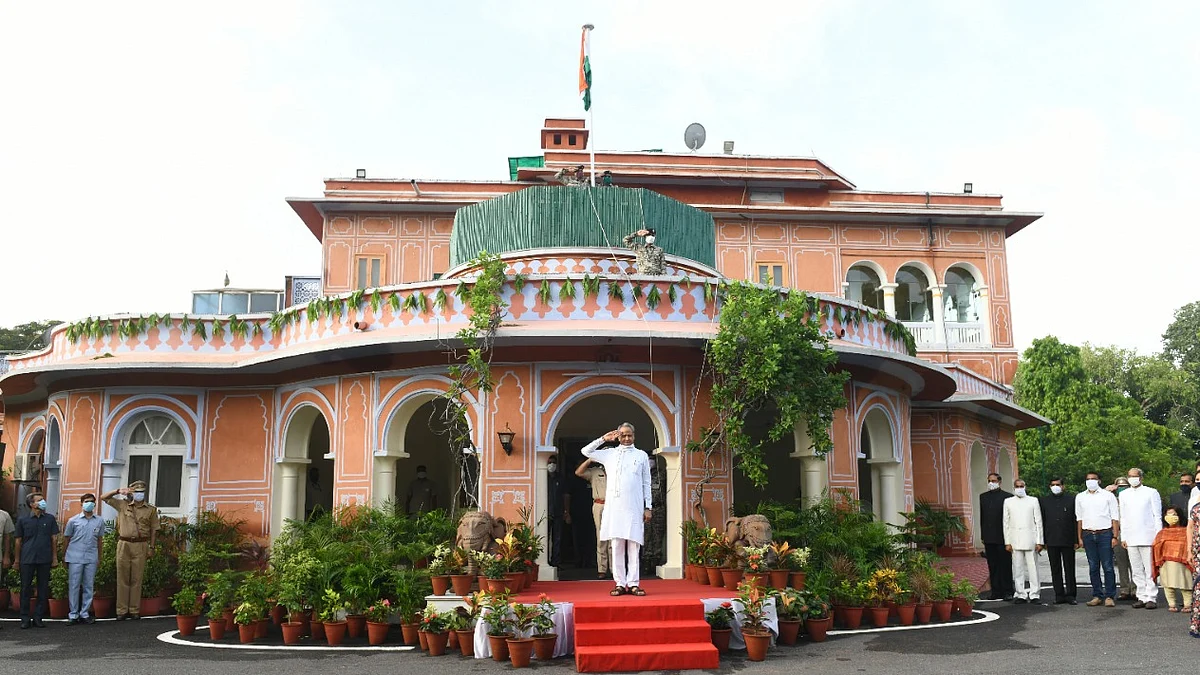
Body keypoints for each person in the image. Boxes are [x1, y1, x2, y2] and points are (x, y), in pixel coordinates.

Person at [581, 422, 652, 597]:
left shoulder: (641, 455)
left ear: (634, 436)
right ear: (618, 436)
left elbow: (646, 483)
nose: (627, 438)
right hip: (614, 508)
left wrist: (648, 506)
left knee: (634, 546)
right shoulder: (609, 454)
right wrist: (604, 439)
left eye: (629, 435)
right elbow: (586, 452)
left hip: (635, 507)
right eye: (623, 435)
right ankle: (620, 583)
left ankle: (634, 583)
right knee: (617, 545)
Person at [101, 480, 159, 620]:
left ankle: (134, 610)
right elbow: (104, 497)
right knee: (122, 578)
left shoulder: (151, 509)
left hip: (141, 544)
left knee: (136, 578)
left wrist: (152, 547)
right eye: (136, 492)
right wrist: (118, 491)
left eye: (142, 492)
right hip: (124, 543)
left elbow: (154, 530)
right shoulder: (123, 505)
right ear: (132, 493)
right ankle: (121, 610)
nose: (140, 494)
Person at [13, 491, 59, 629]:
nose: (43, 502)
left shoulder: (49, 519)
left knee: (43, 588)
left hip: (44, 558)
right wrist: (16, 560)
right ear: (32, 504)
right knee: (25, 588)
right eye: (39, 500)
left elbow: (54, 539)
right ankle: (25, 618)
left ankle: (38, 617)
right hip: (27, 558)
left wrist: (54, 558)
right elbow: (18, 541)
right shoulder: (23, 519)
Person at [1118, 467, 1163, 609]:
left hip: (1148, 536)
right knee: (1137, 570)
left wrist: (1158, 536)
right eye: (1130, 476)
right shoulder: (1124, 494)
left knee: (1149, 569)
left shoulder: (1151, 492)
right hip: (1131, 537)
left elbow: (1157, 516)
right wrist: (1124, 536)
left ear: (1141, 478)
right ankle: (1141, 596)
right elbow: (1123, 517)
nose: (1132, 478)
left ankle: (1151, 597)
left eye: (1135, 476)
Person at [1076, 471, 1120, 607]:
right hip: (1088, 534)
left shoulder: (1108, 496)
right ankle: (1097, 595)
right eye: (1088, 479)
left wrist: (1115, 536)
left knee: (1107, 566)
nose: (1090, 481)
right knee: (1093, 566)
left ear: (1099, 481)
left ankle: (1109, 596)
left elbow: (1115, 517)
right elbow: (1079, 519)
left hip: (1105, 534)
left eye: (1093, 479)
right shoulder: (1080, 497)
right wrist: (1080, 537)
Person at [62, 493, 106, 625]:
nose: (89, 503)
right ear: (81, 504)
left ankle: (85, 613)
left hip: (91, 556)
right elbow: (66, 539)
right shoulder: (73, 521)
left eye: (92, 501)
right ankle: (73, 614)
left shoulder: (99, 520)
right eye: (87, 501)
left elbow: (99, 540)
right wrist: (64, 556)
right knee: (74, 585)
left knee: (89, 585)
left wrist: (100, 557)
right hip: (75, 556)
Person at [1003, 479, 1044, 604]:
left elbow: (1038, 522)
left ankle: (1034, 594)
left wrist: (1039, 541)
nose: (1019, 488)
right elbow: (1005, 523)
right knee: (1017, 568)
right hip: (1014, 540)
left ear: (1025, 487)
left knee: (1033, 568)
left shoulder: (1033, 500)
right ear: (1014, 487)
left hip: (1030, 539)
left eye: (1021, 486)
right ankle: (1020, 593)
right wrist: (1007, 542)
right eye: (1017, 486)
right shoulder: (1008, 502)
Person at [1040, 477, 1077, 604]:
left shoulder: (1071, 499)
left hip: (1068, 539)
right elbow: (1042, 521)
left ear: (1063, 486)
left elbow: (1074, 520)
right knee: (1055, 568)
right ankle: (1059, 595)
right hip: (1051, 539)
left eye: (1058, 484)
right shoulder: (1044, 501)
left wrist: (1076, 539)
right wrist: (1043, 540)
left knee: (1069, 568)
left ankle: (1071, 595)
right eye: (1052, 484)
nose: (1055, 487)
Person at [978, 472, 1015, 600]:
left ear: (999, 482)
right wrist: (983, 535)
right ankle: (996, 591)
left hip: (1003, 537)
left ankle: (1008, 591)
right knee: (992, 565)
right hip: (989, 536)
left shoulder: (1008, 497)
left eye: (993, 481)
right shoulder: (983, 497)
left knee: (1005, 564)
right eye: (989, 481)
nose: (991, 483)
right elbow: (982, 517)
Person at [1151, 505, 1193, 612]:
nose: (1170, 517)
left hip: (1183, 562)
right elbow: (1156, 547)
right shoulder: (1162, 533)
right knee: (1168, 584)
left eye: (1173, 514)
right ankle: (1172, 604)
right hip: (1166, 563)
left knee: (1186, 583)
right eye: (1168, 514)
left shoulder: (1186, 532)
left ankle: (1187, 604)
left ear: (1179, 516)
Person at [576, 456, 611, 579]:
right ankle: (602, 569)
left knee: (614, 537)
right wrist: (589, 460)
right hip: (599, 504)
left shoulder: (617, 469)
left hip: (614, 506)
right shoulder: (595, 471)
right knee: (601, 537)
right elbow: (578, 472)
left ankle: (614, 568)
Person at [1108, 476, 1136, 600]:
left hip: (1131, 533)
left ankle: (1136, 589)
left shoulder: (1132, 498)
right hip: (1117, 533)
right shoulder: (1111, 499)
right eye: (1119, 486)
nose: (1122, 489)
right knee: (1121, 563)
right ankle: (1124, 589)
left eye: (1124, 486)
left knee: (1134, 564)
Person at [546, 455, 570, 568]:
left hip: (558, 512)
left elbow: (566, 495)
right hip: (545, 513)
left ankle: (556, 561)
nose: (551, 465)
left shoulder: (560, 478)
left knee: (557, 538)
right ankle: (545, 561)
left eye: (553, 462)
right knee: (544, 537)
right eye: (549, 462)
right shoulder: (543, 477)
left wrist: (566, 511)